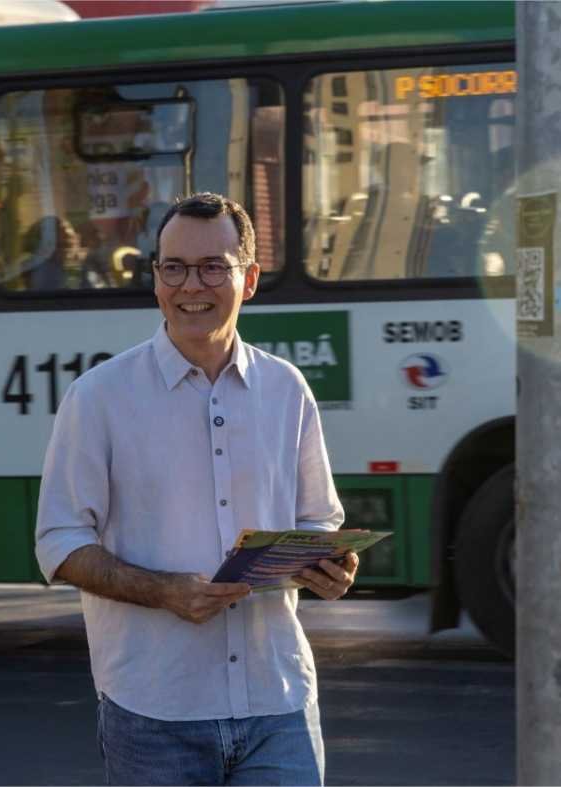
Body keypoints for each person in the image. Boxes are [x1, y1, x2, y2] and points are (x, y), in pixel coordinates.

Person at [35, 192, 358, 786]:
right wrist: (162, 591)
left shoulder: (286, 389)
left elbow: (319, 522)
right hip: (155, 708)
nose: (192, 286)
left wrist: (329, 567)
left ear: (250, 279)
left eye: (214, 266)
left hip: (277, 699)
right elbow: (58, 541)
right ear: (156, 278)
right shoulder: (99, 397)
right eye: (174, 267)